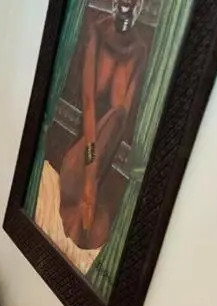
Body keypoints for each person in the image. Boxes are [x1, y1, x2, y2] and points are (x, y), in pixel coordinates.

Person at [57, 0, 148, 249]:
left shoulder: (139, 51)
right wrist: (90, 170)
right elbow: (88, 103)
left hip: (104, 154)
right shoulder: (97, 32)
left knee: (117, 113)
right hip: (85, 150)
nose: (128, 4)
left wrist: (96, 175)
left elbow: (122, 117)